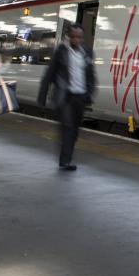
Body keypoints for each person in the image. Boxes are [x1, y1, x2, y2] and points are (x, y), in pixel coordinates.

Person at [38, 24, 96, 171]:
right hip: (65, 97)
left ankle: (66, 156)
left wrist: (89, 93)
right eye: (74, 36)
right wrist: (42, 96)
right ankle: (65, 161)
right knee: (68, 128)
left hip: (80, 97)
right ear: (69, 37)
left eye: (79, 37)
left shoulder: (87, 52)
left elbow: (91, 75)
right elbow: (49, 74)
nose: (76, 39)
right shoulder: (61, 52)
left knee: (75, 130)